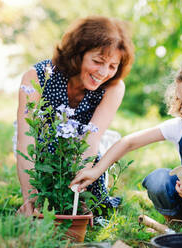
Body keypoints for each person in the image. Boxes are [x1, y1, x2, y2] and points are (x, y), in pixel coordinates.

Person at [70, 53, 182, 225]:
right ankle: (176, 223)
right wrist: (96, 171)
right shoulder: (181, 126)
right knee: (158, 179)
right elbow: (128, 142)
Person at [16, 16, 134, 216]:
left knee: (93, 208)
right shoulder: (36, 76)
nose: (104, 72)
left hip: (81, 152)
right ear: (79, 54)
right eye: (98, 61)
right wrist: (30, 198)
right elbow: (25, 140)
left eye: (113, 66)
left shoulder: (113, 87)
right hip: (41, 150)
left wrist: (74, 192)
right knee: (41, 199)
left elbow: (91, 138)